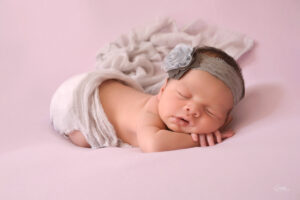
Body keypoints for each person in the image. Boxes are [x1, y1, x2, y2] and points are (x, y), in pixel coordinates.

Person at [65, 44, 245, 152]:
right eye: (183, 95)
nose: (192, 110)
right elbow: (153, 144)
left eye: (210, 112)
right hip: (79, 96)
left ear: (225, 121)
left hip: (111, 91)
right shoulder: (152, 111)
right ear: (163, 88)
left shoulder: (177, 111)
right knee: (81, 138)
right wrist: (196, 140)